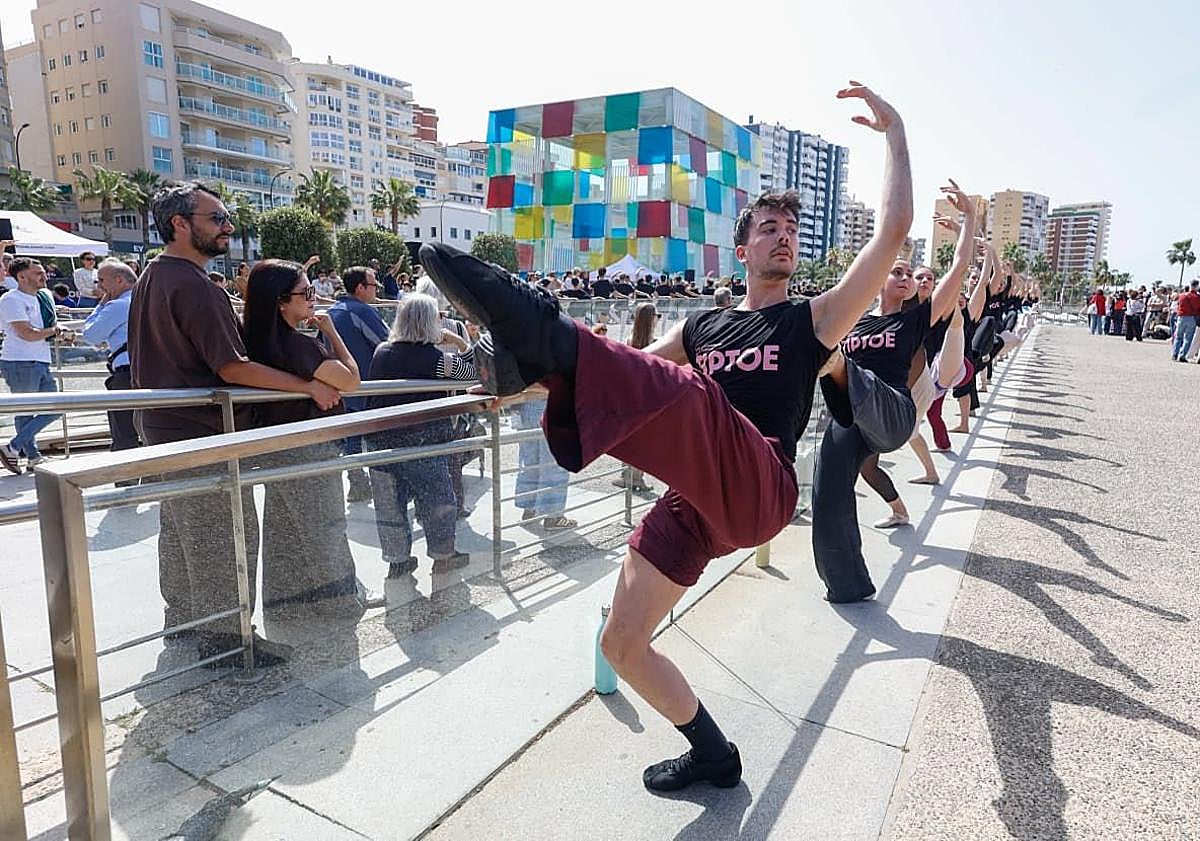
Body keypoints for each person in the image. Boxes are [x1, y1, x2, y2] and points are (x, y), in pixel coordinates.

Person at [420, 81, 911, 793]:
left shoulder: (815, 319)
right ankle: (713, 753)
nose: (783, 235)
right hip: (696, 495)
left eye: (790, 229)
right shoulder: (703, 325)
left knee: (692, 396)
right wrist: (520, 391)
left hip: (760, 484)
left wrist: (894, 131)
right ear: (741, 247)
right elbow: (628, 376)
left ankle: (541, 328)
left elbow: (893, 230)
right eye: (768, 227)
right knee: (621, 641)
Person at [128, 182, 339, 668]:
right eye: (217, 218)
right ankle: (225, 641)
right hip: (205, 433)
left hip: (165, 429)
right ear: (180, 224)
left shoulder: (153, 275)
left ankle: (185, 622)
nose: (229, 226)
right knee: (224, 538)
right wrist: (306, 386)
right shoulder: (195, 286)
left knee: (182, 532)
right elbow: (232, 367)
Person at [813, 180, 972, 596]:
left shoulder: (914, 320)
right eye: (895, 271)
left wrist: (970, 219)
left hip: (892, 411)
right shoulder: (854, 322)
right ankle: (847, 584)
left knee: (842, 366)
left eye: (908, 274)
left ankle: (837, 369)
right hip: (851, 416)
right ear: (878, 279)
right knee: (827, 492)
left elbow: (958, 268)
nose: (904, 277)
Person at [241, 259, 381, 611]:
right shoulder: (297, 346)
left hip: (278, 443)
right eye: (305, 293)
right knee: (327, 525)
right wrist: (332, 333)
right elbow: (351, 380)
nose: (313, 298)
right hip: (312, 445)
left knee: (284, 529)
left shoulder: (255, 342)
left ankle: (286, 602)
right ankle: (343, 599)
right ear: (281, 302)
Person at [364, 293, 473, 578]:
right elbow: (473, 374)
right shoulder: (437, 360)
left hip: (381, 439)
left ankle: (397, 561)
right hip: (425, 439)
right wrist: (461, 343)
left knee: (389, 505)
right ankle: (443, 556)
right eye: (438, 316)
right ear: (428, 322)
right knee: (437, 499)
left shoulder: (382, 352)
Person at [0, 257, 69, 474]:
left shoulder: (43, 296)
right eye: (38, 273)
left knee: (56, 407)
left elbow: (40, 330)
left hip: (40, 359)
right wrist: (55, 331)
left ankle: (14, 448)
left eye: (43, 272)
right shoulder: (11, 299)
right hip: (19, 361)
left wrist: (57, 331)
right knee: (25, 411)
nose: (44, 276)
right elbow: (27, 333)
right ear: (21, 277)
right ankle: (30, 455)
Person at [328, 265, 389, 503]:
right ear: (361, 287)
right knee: (378, 439)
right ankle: (385, 490)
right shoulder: (362, 311)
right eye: (373, 285)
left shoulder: (333, 311)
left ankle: (357, 483)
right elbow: (387, 343)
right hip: (368, 388)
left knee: (350, 440)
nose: (377, 290)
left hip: (342, 387)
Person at [82, 259, 140, 457]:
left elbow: (91, 335)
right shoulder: (150, 301)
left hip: (127, 375)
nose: (99, 286)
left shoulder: (118, 305)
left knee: (124, 434)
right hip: (155, 372)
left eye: (101, 280)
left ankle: (126, 474)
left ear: (119, 280)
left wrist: (100, 306)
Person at [612, 302, 657, 493]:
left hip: (630, 396)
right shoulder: (655, 343)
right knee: (644, 441)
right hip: (648, 397)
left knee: (630, 438)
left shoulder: (629, 340)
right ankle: (636, 478)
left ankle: (627, 476)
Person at [1171, 280, 1199, 362]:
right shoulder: (1197, 297)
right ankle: (1182, 355)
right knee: (1188, 338)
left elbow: (1178, 305)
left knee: (1178, 336)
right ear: (1197, 286)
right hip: (1191, 318)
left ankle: (1175, 353)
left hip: (1181, 317)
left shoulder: (1182, 295)